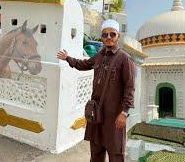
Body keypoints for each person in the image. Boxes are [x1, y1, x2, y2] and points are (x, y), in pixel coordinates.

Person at [57, 19, 135, 162]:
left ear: (118, 36)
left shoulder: (125, 59)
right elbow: (83, 64)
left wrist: (124, 113)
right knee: (96, 151)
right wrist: (67, 58)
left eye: (112, 34)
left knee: (115, 152)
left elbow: (129, 88)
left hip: (114, 116)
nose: (109, 37)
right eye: (105, 35)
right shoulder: (99, 56)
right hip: (97, 113)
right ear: (102, 37)